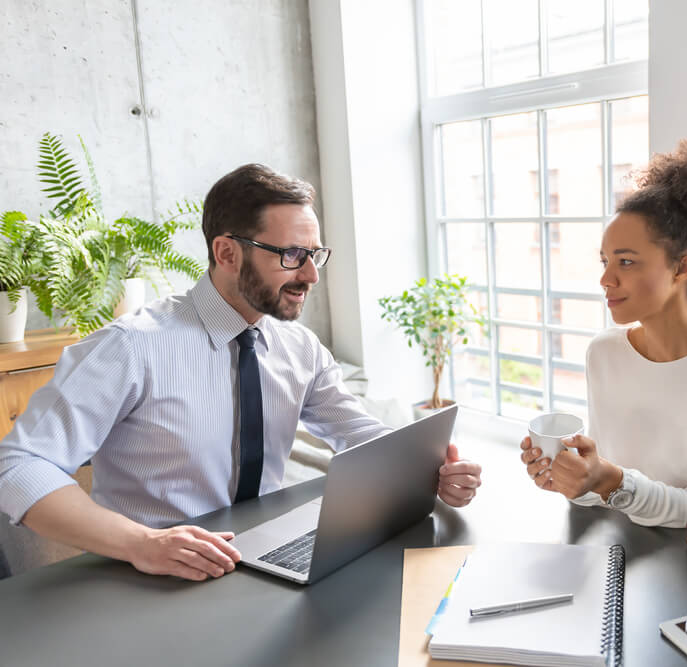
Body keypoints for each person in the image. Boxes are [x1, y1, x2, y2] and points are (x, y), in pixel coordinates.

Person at [0, 163, 482, 582]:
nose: (311, 276)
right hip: (145, 573)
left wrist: (430, 472)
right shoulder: (129, 348)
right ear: (227, 253)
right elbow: (18, 467)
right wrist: (142, 543)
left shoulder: (300, 349)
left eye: (315, 255)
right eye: (292, 255)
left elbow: (360, 435)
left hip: (263, 558)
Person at [519, 140, 687, 527]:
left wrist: (610, 480)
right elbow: (603, 497)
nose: (606, 278)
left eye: (626, 261)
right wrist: (574, 478)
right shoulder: (604, 352)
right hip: (624, 554)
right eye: (605, 260)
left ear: (682, 268)